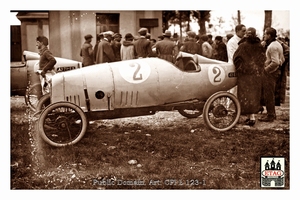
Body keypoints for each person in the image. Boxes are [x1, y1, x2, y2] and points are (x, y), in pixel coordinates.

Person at [233, 27, 266, 126]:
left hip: (245, 75)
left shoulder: (243, 45)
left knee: (245, 94)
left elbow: (236, 58)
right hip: (256, 74)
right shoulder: (260, 46)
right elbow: (263, 59)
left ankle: (249, 116)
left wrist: (241, 68)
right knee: (254, 94)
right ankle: (252, 116)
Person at [259, 27, 285, 122]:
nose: (264, 36)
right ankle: (271, 114)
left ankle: (270, 115)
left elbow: (276, 62)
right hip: (274, 72)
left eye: (265, 34)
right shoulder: (277, 44)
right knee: (269, 94)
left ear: (269, 35)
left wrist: (266, 70)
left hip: (271, 73)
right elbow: (282, 60)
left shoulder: (273, 46)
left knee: (268, 94)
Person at [227, 24, 247, 96]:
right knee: (234, 89)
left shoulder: (244, 41)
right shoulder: (232, 42)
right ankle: (230, 106)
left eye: (245, 31)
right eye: (243, 31)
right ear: (237, 31)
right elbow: (233, 56)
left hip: (242, 67)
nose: (245, 33)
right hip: (234, 67)